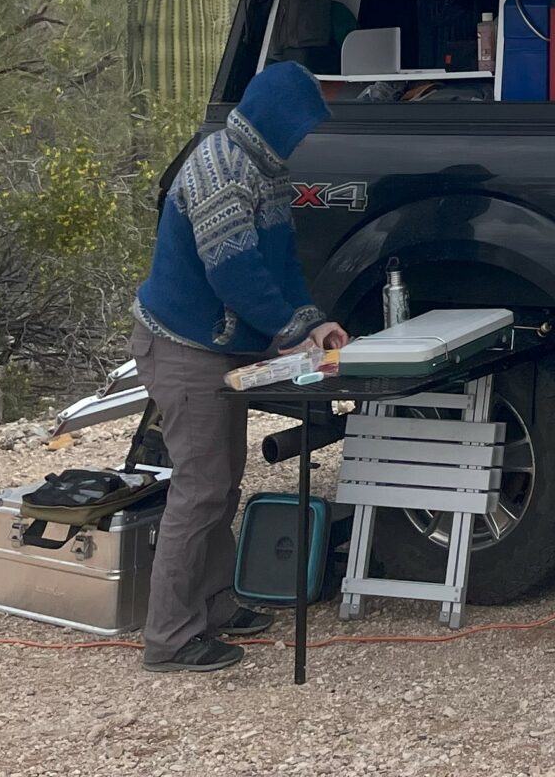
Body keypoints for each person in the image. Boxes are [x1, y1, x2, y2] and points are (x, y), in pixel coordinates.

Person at [128, 62, 350, 673]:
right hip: (181, 346)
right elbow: (234, 271)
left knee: (221, 483)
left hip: (213, 345)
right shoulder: (220, 168)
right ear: (279, 120)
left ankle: (215, 605)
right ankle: (169, 639)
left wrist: (311, 321)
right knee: (200, 490)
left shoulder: (265, 169)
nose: (304, 139)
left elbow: (280, 266)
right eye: (301, 127)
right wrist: (289, 335)